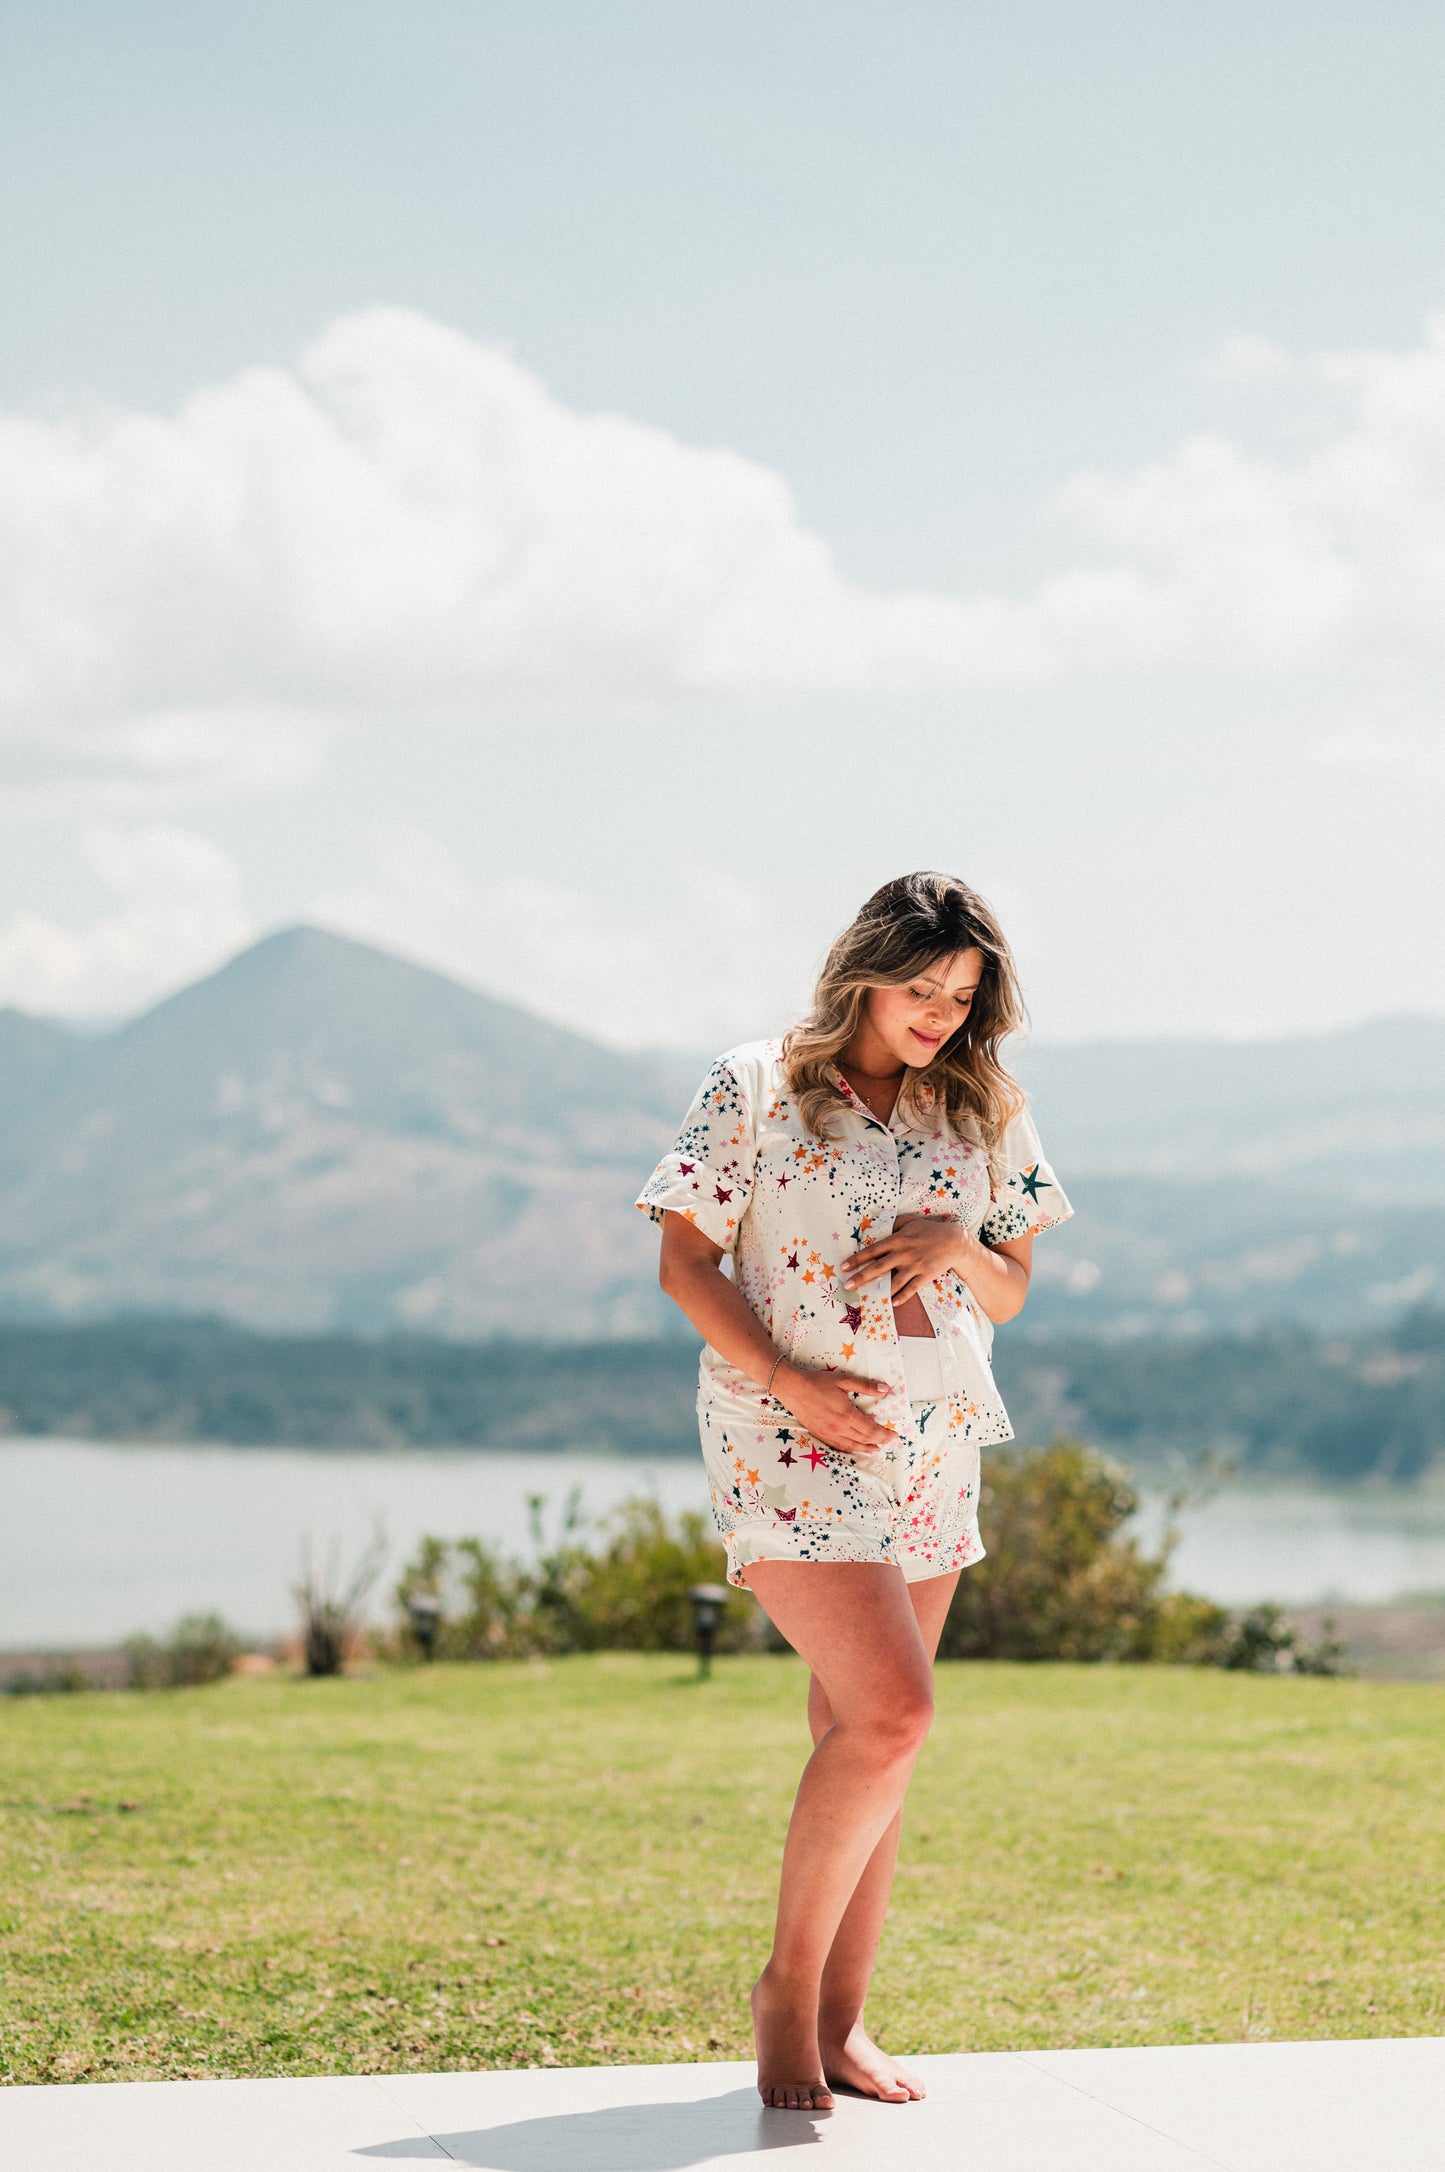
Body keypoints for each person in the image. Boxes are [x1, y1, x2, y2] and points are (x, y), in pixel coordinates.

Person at [637, 870, 1072, 2112]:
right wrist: (786, 1378)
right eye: (920, 989)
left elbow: (1011, 1292)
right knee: (894, 1716)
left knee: (860, 1738)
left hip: (934, 1439)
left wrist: (958, 1248)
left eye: (962, 996)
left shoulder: (984, 1105)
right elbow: (681, 1263)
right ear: (863, 970)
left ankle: (839, 2020)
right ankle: (784, 1990)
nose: (939, 1016)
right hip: (785, 1432)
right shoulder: (755, 1085)